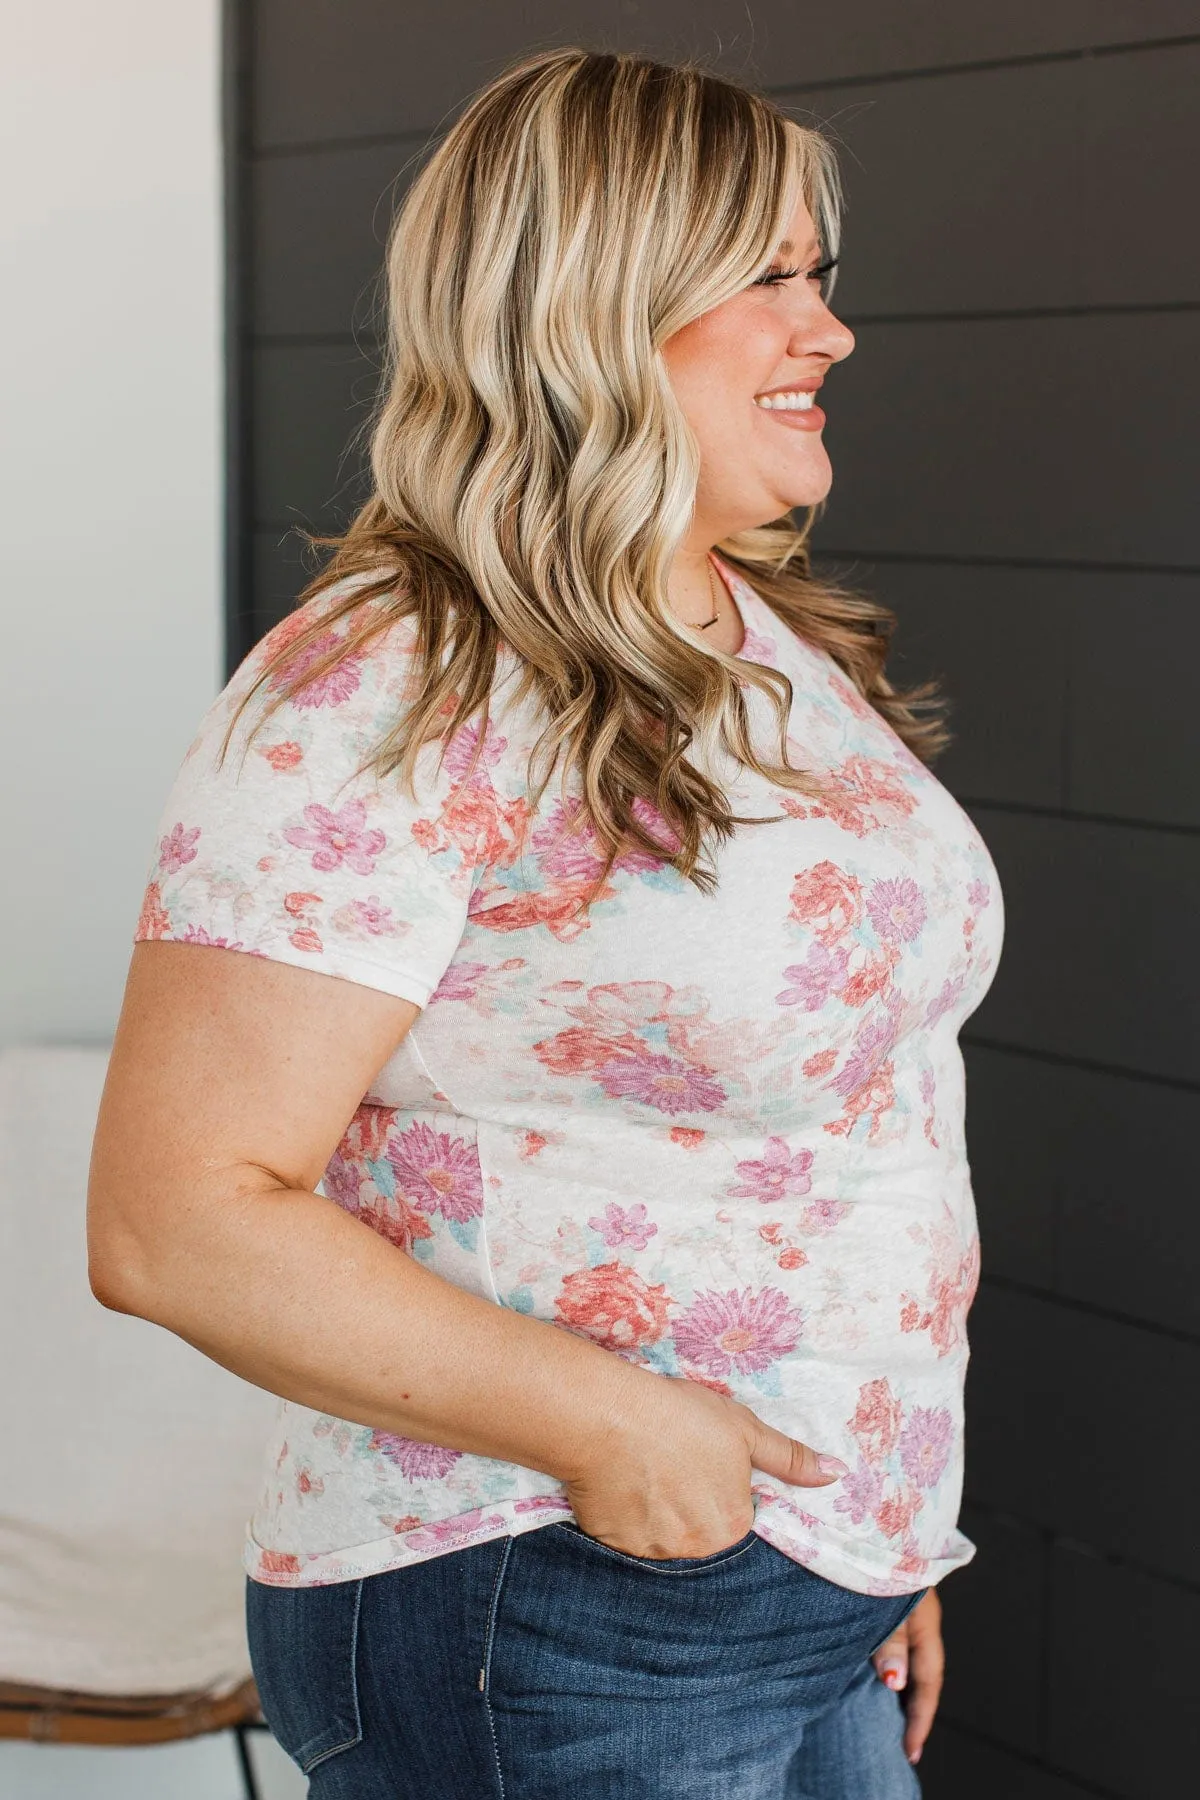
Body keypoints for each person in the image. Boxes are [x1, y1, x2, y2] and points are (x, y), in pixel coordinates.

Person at [87, 45, 1002, 1800]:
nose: (831, 331)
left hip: (814, 1571)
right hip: (555, 1592)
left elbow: (868, 1115)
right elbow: (173, 1218)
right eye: (772, 278)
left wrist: (882, 1513)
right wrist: (625, 1434)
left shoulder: (761, 633)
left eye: (826, 276)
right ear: (593, 306)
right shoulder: (391, 680)